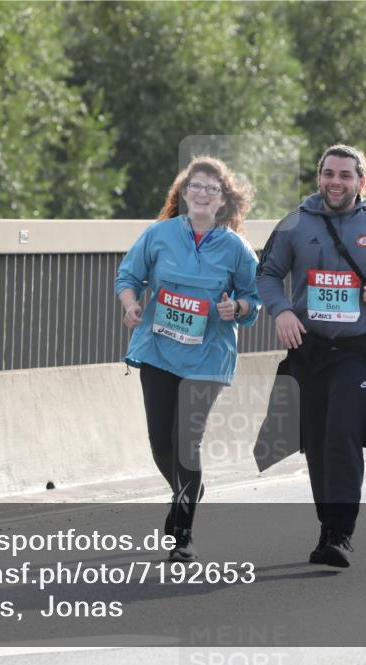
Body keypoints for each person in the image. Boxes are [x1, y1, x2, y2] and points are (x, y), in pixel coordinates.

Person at [256, 144, 366, 568]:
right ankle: (327, 527)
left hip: (358, 349)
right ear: (319, 177)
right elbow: (268, 274)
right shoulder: (295, 224)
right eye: (329, 173)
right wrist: (282, 311)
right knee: (315, 441)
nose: (335, 182)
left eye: (346, 175)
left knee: (342, 435)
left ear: (362, 181)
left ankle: (340, 534)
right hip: (309, 349)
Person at [115, 156, 261, 562]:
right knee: (162, 443)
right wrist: (130, 305)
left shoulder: (235, 248)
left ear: (222, 202)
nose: (201, 194)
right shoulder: (159, 235)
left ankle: (182, 532)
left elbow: (255, 298)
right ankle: (188, 489)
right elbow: (128, 277)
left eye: (211, 189)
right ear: (182, 195)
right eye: (194, 186)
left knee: (186, 442)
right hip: (160, 351)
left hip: (208, 358)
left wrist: (240, 309)